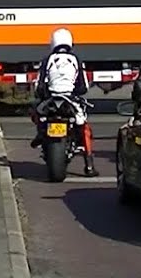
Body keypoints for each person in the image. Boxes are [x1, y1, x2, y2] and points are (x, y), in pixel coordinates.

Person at [28, 27, 98, 177]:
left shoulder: (47, 60)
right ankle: (89, 165)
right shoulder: (76, 60)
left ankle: (40, 134)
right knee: (84, 128)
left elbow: (39, 84)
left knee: (36, 112)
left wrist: (44, 93)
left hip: (50, 99)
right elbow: (83, 86)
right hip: (70, 100)